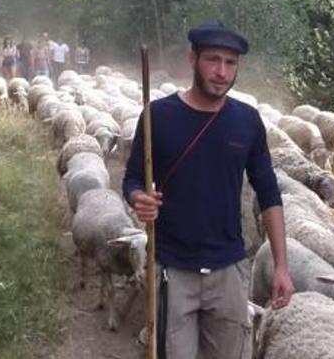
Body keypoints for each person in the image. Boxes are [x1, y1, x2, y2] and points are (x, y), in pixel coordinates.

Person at [123, 20, 294, 359]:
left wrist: (281, 266)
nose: (221, 72)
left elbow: (269, 195)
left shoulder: (247, 121)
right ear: (193, 59)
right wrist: (138, 199)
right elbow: (132, 179)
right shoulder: (158, 116)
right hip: (172, 269)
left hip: (228, 269)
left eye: (230, 63)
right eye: (212, 60)